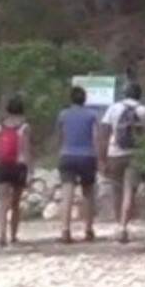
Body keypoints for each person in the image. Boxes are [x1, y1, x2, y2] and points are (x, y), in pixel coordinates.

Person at [101, 81, 145, 243]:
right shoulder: (144, 111)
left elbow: (104, 133)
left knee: (116, 190)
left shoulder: (113, 108)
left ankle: (118, 224)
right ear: (139, 95)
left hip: (114, 154)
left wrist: (102, 158)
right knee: (129, 191)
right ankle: (124, 227)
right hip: (135, 155)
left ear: (124, 94)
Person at [54, 83, 102, 243]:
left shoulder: (63, 115)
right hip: (87, 156)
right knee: (88, 193)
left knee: (67, 194)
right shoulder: (92, 115)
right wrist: (100, 157)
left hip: (67, 154)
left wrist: (60, 152)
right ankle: (88, 229)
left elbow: (60, 137)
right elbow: (96, 137)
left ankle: (65, 230)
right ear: (85, 99)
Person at [0, 96, 31, 246]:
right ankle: (13, 235)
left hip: (2, 166)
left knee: (2, 203)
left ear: (7, 110)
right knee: (15, 203)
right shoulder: (24, 127)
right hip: (18, 166)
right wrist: (30, 170)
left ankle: (2, 234)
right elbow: (26, 150)